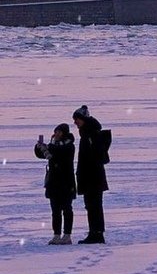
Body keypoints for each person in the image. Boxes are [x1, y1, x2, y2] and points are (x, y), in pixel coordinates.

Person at [72, 104, 110, 243]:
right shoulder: (88, 134)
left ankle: (97, 233)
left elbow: (96, 156)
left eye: (77, 119)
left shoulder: (91, 134)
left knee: (94, 205)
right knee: (92, 205)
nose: (75, 122)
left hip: (93, 177)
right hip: (91, 176)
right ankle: (95, 232)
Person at [34, 123, 77, 244]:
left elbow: (59, 154)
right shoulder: (52, 146)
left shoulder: (69, 146)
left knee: (67, 209)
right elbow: (42, 155)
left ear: (64, 133)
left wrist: (47, 149)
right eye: (56, 131)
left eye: (59, 132)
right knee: (55, 210)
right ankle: (56, 234)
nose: (57, 134)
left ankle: (67, 235)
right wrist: (39, 147)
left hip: (66, 182)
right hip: (54, 183)